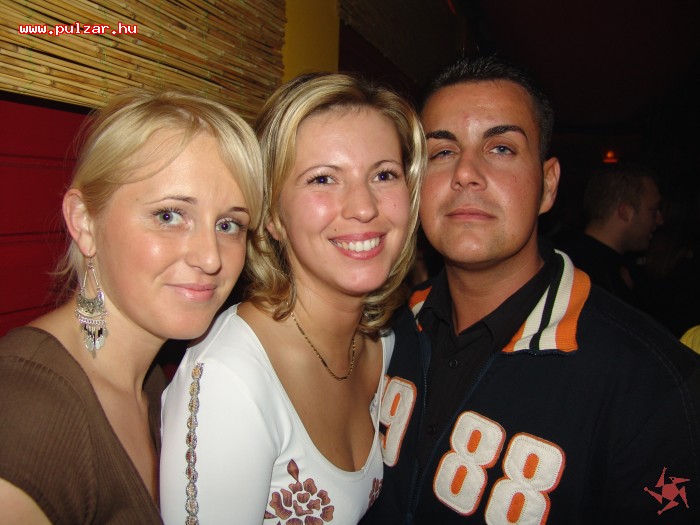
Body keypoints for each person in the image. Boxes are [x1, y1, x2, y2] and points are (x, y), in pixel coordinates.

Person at [361, 55, 700, 524]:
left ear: (548, 184)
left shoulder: (652, 385)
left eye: (501, 148)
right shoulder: (383, 330)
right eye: (442, 152)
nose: (465, 172)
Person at [159, 73, 425, 524]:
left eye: (384, 175)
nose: (364, 207)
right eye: (323, 179)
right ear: (273, 218)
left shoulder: (385, 343)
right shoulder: (231, 378)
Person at [0, 89, 263, 524]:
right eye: (169, 215)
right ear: (85, 221)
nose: (211, 258)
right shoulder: (28, 408)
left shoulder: (153, 383)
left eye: (228, 224)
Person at [556, 162, 663, 305]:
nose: (660, 220)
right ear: (625, 212)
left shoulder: (575, 260)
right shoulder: (584, 276)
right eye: (653, 210)